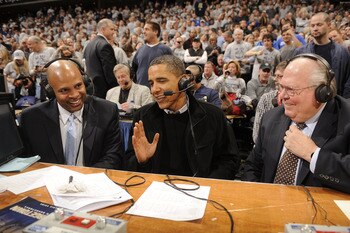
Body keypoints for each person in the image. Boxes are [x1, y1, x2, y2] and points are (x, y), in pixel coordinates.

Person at [242, 54, 350, 194]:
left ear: (322, 92)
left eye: (291, 90)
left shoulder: (346, 119)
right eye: (282, 87)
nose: (282, 96)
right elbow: (252, 167)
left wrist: (313, 154)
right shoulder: (270, 118)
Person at [125, 55, 239, 179]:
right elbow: (128, 164)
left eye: (162, 81)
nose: (154, 90)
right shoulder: (142, 117)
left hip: (201, 191)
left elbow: (229, 160)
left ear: (183, 81)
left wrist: (207, 185)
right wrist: (142, 162)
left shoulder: (213, 115)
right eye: (151, 83)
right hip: (157, 191)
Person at [20, 59, 123, 169]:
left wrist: (82, 178)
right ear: (50, 91)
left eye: (78, 86)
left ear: (86, 83)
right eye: (64, 90)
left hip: (90, 180)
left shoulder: (107, 111)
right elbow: (26, 160)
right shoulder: (31, 118)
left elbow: (113, 157)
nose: (74, 95)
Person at [293, 12, 350, 98]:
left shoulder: (342, 52)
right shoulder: (301, 52)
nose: (315, 28)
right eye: (312, 26)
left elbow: (347, 81)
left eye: (319, 25)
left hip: (335, 101)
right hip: (308, 100)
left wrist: (344, 102)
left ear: (329, 25)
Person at [252, 61, 287, 143]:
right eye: (275, 75)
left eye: (279, 76)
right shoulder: (266, 98)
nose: (275, 79)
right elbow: (257, 130)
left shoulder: (294, 99)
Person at [84, 18, 118, 99]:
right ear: (103, 29)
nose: (113, 32)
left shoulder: (89, 44)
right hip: (104, 91)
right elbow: (109, 71)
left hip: (93, 88)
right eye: (111, 29)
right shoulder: (104, 45)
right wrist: (115, 88)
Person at [131, 21, 172, 88]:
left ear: (155, 32)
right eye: (144, 29)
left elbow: (172, 70)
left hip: (159, 90)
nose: (143, 32)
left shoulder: (165, 49)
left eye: (147, 29)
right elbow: (134, 69)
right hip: (141, 89)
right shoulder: (140, 49)